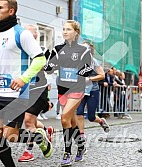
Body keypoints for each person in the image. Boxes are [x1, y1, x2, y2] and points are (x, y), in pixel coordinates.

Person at [0, 1, 52, 166]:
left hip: (17, 93)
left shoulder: (21, 34)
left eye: (0, 8)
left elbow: (40, 59)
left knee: (10, 134)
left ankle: (38, 136)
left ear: (11, 11)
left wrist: (24, 78)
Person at [45, 20, 92, 166]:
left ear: (76, 32)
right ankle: (81, 146)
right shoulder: (57, 49)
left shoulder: (83, 50)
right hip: (63, 90)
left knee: (64, 119)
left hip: (77, 89)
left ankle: (67, 152)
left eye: (68, 29)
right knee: (71, 122)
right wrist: (48, 65)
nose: (65, 32)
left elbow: (88, 68)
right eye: (64, 29)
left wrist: (78, 72)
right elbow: (50, 68)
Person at [18, 24, 54, 162]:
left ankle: (28, 151)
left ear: (35, 36)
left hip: (39, 89)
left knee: (28, 121)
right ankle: (45, 131)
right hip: (24, 89)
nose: (25, 36)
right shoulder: (20, 50)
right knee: (30, 121)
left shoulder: (42, 50)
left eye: (29, 33)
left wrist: (49, 84)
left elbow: (50, 69)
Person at [76, 41, 110, 160]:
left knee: (91, 117)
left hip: (92, 91)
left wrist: (89, 78)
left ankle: (101, 121)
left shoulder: (93, 62)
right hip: (80, 91)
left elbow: (102, 75)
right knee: (78, 113)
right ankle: (81, 137)